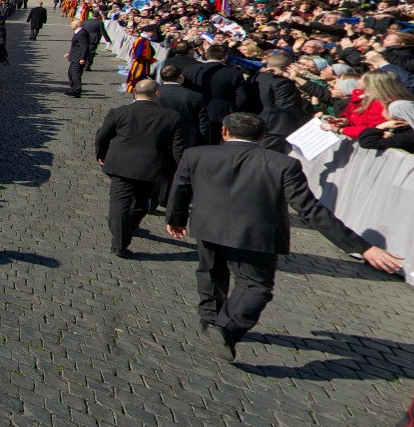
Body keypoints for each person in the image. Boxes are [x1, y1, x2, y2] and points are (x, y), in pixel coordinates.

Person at [165, 112, 404, 361]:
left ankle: (211, 318)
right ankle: (226, 328)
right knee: (255, 285)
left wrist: (175, 218)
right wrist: (363, 247)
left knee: (211, 271)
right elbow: (311, 210)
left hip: (208, 227)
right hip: (256, 235)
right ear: (263, 136)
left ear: (224, 131)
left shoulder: (197, 154)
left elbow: (181, 187)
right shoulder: (282, 164)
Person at [94, 80, 185, 257]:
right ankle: (126, 230)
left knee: (119, 203)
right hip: (152, 168)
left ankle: (119, 241)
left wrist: (101, 154)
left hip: (121, 165)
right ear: (157, 94)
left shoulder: (119, 112)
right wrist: (179, 170)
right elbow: (177, 148)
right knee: (141, 204)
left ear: (134, 92)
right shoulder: (172, 116)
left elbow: (102, 136)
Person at [252, 53, 311, 142]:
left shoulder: (255, 77)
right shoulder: (282, 83)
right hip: (276, 127)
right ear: (288, 67)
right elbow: (287, 106)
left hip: (256, 122)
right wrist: (306, 118)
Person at [157, 64, 212, 148]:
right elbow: (203, 123)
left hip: (159, 138)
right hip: (187, 140)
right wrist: (204, 143)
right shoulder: (194, 96)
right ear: (181, 76)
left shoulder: (153, 95)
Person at [65, 20, 88, 97]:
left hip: (78, 58)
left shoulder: (82, 33)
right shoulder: (78, 32)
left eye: (72, 24)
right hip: (74, 56)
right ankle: (73, 88)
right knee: (70, 73)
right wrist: (69, 53)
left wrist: (82, 58)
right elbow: (76, 46)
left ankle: (76, 90)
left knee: (75, 74)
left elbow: (84, 47)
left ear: (76, 25)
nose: (71, 25)